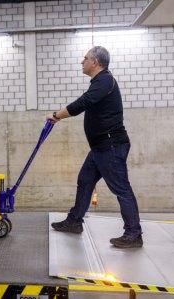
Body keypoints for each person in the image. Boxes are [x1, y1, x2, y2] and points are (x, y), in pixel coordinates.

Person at [46, 46, 143, 248]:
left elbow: (84, 102)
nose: (82, 61)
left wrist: (57, 116)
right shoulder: (100, 82)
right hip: (100, 148)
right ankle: (74, 221)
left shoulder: (105, 80)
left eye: (85, 58)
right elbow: (87, 102)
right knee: (85, 181)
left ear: (96, 62)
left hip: (111, 147)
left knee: (121, 189)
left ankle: (134, 234)